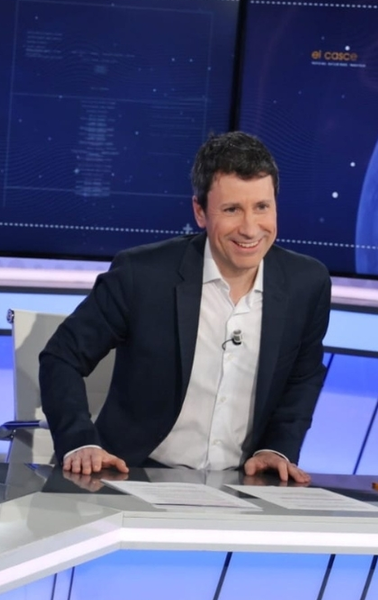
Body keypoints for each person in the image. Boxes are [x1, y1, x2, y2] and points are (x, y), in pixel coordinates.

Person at [39, 131, 331, 483]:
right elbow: (61, 357)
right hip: (132, 474)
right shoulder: (141, 275)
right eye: (232, 209)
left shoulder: (307, 284)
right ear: (200, 211)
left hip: (243, 482)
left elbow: (303, 376)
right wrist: (80, 442)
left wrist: (277, 448)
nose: (250, 228)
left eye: (261, 207)